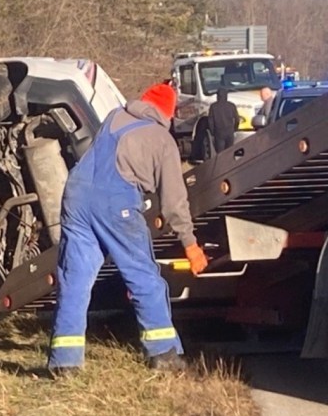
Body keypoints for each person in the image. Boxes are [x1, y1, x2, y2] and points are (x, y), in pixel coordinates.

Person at [47, 82, 208, 376]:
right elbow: (174, 201)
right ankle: (164, 355)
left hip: (76, 195)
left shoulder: (114, 117)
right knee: (144, 277)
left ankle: (64, 362)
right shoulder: (161, 139)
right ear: (168, 112)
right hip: (115, 201)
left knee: (76, 281)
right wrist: (190, 243)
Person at [208, 88, 240, 153]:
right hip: (230, 131)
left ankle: (221, 163)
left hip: (219, 132)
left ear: (218, 96)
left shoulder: (213, 106)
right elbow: (237, 119)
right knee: (230, 152)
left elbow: (210, 121)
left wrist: (212, 132)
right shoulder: (231, 106)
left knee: (220, 153)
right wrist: (235, 129)